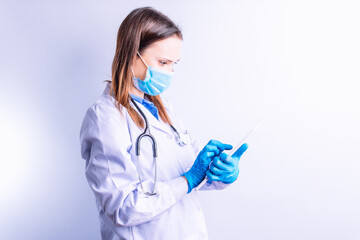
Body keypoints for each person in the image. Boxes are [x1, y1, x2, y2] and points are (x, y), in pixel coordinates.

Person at [79, 6, 248, 240]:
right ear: (131, 54)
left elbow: (186, 175)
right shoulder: (105, 118)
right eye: (162, 62)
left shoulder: (163, 108)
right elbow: (122, 207)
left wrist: (216, 173)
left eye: (173, 64)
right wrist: (188, 180)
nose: (169, 73)